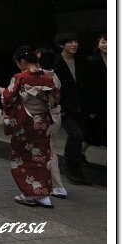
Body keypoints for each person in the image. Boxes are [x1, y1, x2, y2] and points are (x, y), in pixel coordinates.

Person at [0, 46, 56, 208]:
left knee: (22, 156)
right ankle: (44, 195)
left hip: (25, 121)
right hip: (42, 121)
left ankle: (29, 194)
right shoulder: (47, 77)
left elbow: (8, 98)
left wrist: (2, 91)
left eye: (18, 63)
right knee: (42, 156)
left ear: (22, 61)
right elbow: (55, 99)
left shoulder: (20, 77)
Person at [52, 31, 89, 185]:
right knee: (75, 134)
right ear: (62, 45)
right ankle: (70, 167)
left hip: (81, 105)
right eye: (70, 42)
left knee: (81, 136)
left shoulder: (81, 61)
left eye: (76, 42)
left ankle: (74, 167)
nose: (74, 45)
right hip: (64, 106)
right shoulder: (56, 63)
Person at [38, 46, 67, 199]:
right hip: (55, 115)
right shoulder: (55, 76)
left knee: (47, 152)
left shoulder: (38, 77)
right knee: (50, 149)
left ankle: (57, 185)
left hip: (44, 116)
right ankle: (52, 183)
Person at [82, 33, 107, 156]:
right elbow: (87, 86)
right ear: (99, 42)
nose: (106, 45)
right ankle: (77, 158)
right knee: (91, 136)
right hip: (97, 104)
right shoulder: (90, 61)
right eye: (104, 41)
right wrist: (90, 108)